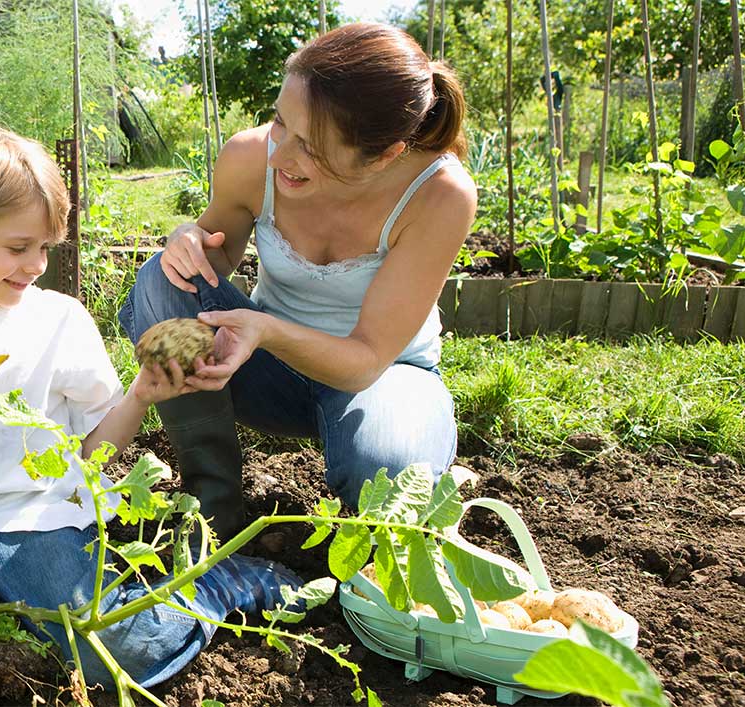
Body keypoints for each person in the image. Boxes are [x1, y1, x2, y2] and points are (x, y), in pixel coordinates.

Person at [0, 124, 302, 688]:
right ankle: (2, 605)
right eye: (17, 248)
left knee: (125, 653)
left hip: (41, 526)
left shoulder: (58, 320)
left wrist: (140, 394)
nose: (37, 264)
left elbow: (93, 454)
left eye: (44, 247)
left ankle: (217, 585)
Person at [120, 23, 477, 539]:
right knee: (161, 279)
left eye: (312, 147)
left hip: (382, 376)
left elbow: (367, 359)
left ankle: (415, 468)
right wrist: (187, 239)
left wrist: (266, 331)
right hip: (266, 370)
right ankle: (212, 503)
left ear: (385, 155)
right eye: (280, 123)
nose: (281, 153)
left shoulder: (439, 194)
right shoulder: (249, 158)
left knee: (391, 480)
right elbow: (211, 257)